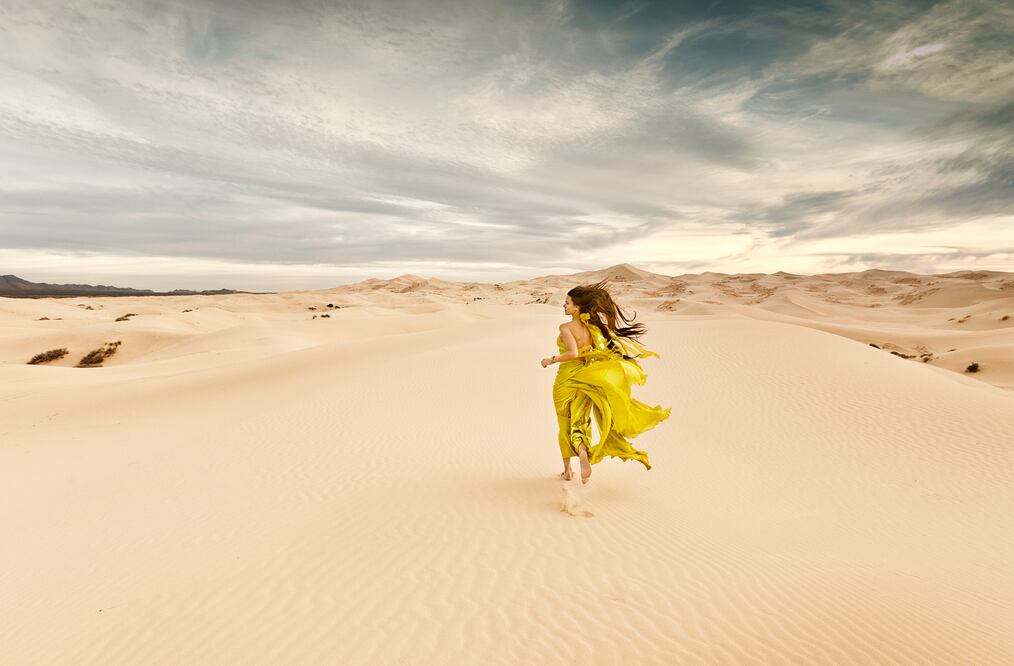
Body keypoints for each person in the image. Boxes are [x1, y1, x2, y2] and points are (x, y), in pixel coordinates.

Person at [541, 280, 671, 484]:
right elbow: (592, 351)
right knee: (580, 420)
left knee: (564, 422)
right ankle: (582, 453)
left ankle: (567, 471)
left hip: (566, 379)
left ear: (577, 307)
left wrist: (551, 360)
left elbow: (572, 353)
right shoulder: (592, 328)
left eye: (567, 303)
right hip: (587, 377)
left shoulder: (565, 327)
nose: (564, 306)